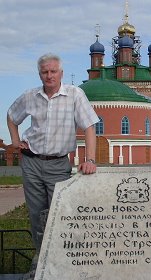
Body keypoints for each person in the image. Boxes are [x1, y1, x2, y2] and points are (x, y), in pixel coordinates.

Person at [7, 53, 99, 251]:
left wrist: (90, 159)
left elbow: (89, 126)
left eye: (53, 71)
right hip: (31, 162)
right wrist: (15, 141)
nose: (49, 76)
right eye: (45, 72)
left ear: (61, 73)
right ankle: (40, 261)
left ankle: (61, 257)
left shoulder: (75, 95)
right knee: (36, 214)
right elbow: (11, 116)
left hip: (58, 164)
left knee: (62, 211)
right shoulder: (30, 96)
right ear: (40, 74)